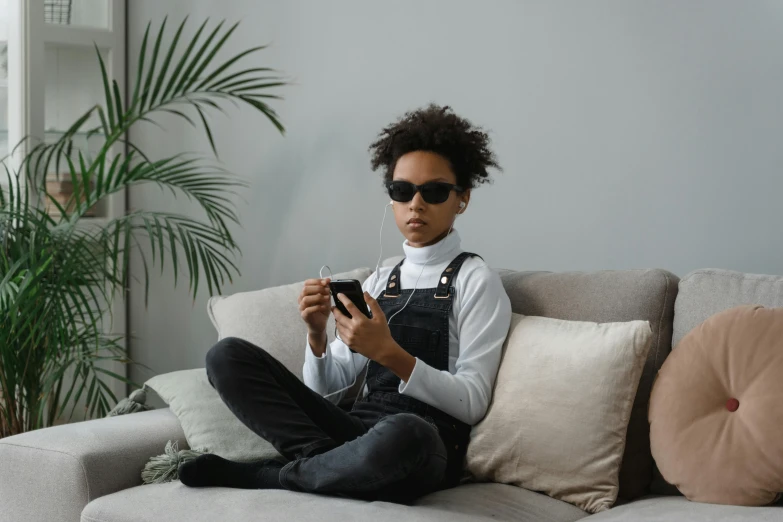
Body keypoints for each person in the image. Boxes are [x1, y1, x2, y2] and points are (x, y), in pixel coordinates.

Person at [178, 103, 512, 504]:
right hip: (357, 433)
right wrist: (317, 335)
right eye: (402, 191)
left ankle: (268, 474)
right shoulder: (381, 279)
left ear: (462, 199)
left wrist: (388, 353)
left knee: (406, 431)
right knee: (226, 356)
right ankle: (324, 465)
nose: (416, 204)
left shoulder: (476, 280)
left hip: (423, 445)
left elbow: (472, 402)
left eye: (435, 191)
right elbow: (325, 392)